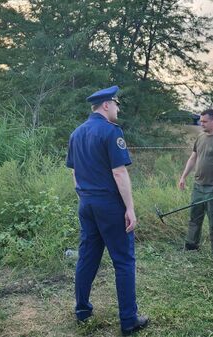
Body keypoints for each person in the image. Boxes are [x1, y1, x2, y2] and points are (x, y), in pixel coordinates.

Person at [66, 85, 148, 336]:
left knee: (88, 256)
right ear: (106, 105)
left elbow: (74, 172)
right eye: (116, 104)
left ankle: (82, 310)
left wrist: (84, 196)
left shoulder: (77, 133)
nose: (118, 108)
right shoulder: (112, 132)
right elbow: (119, 172)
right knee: (123, 260)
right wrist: (130, 208)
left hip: (86, 202)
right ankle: (128, 319)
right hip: (109, 205)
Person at [178, 109, 213, 265]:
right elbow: (193, 157)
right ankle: (191, 245)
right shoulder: (201, 137)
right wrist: (183, 176)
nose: (200, 123)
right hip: (198, 186)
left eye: (204, 121)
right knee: (194, 218)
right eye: (200, 121)